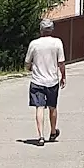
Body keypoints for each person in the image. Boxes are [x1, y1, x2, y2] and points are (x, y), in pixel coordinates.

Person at [24, 18, 66, 146]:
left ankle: (41, 136)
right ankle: (53, 132)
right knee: (52, 107)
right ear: (52, 29)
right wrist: (63, 76)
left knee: (39, 107)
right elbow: (61, 62)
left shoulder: (34, 44)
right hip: (52, 80)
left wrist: (30, 68)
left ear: (41, 30)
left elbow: (27, 63)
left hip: (37, 80)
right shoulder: (57, 43)